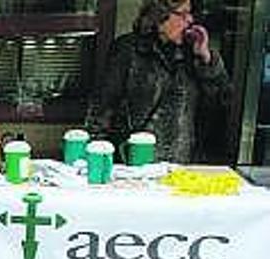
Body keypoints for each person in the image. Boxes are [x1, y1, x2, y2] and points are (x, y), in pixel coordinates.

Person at [85, 0, 230, 163]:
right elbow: (103, 108)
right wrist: (97, 158)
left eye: (190, 13)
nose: (190, 20)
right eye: (182, 14)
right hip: (134, 164)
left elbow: (222, 101)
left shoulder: (192, 54)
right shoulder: (128, 50)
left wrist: (206, 58)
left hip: (180, 166)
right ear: (160, 17)